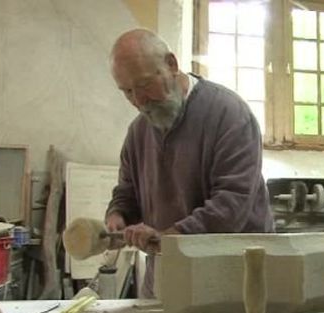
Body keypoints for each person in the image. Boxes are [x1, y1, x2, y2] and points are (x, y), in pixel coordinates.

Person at [105, 28, 274, 298]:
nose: (139, 101)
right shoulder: (138, 132)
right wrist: (118, 218)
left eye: (145, 84)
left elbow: (232, 204)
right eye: (127, 92)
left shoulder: (229, 115)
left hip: (233, 281)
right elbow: (127, 193)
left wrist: (168, 238)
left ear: (171, 65)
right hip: (167, 280)